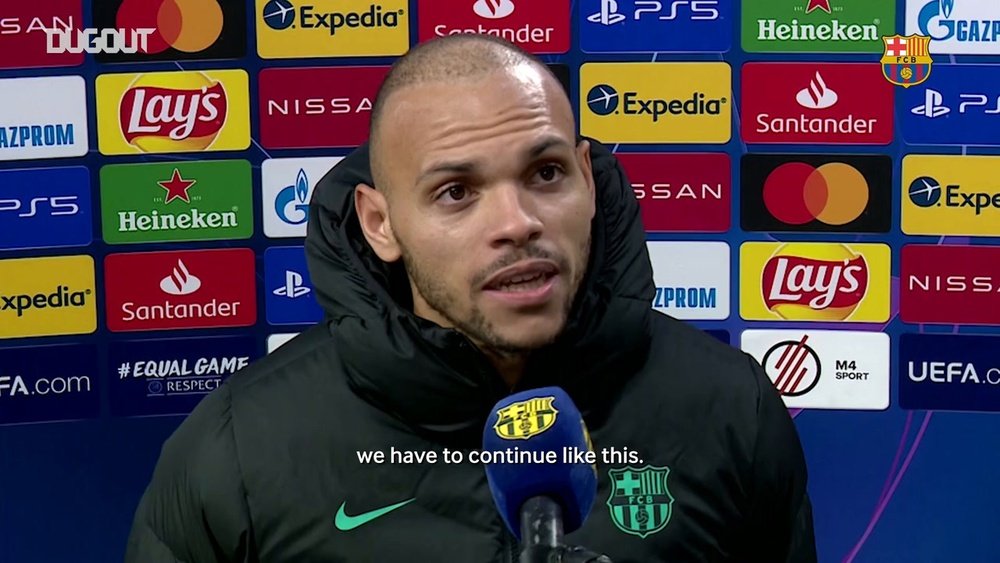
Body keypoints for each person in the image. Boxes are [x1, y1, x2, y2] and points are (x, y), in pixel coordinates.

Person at [125, 34, 817, 562]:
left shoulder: (732, 407)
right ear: (380, 223)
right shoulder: (241, 447)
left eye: (546, 173)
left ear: (586, 177)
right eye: (456, 191)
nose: (517, 222)